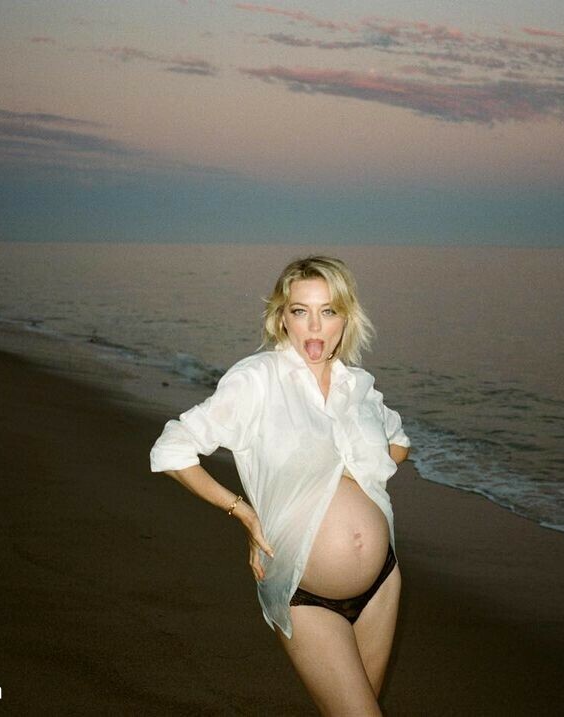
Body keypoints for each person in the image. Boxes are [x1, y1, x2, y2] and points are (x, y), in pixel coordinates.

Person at [150, 255, 410, 715]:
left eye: (328, 311)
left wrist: (355, 474)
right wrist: (245, 514)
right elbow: (172, 449)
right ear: (282, 317)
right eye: (300, 311)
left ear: (346, 318)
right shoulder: (258, 379)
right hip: (305, 593)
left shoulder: (358, 386)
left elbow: (399, 443)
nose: (315, 326)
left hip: (382, 584)